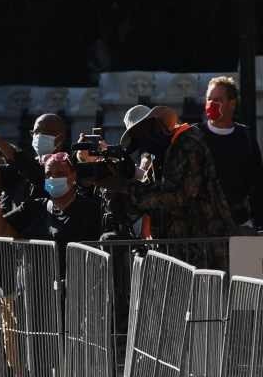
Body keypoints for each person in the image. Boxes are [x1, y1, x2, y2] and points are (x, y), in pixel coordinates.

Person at [102, 105, 237, 263]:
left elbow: (178, 195)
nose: (144, 142)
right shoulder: (159, 156)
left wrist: (126, 188)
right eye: (138, 139)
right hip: (177, 251)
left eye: (144, 133)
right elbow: (146, 199)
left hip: (204, 247)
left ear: (157, 125)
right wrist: (116, 188)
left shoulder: (188, 143)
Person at [0, 153, 102, 250]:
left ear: (73, 176)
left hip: (75, 290)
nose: (53, 178)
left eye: (60, 174)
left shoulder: (91, 209)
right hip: (35, 287)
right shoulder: (35, 206)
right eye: (48, 174)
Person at [198, 76, 263, 229]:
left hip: (239, 223)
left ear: (232, 104)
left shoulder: (245, 137)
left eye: (218, 100)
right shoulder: (195, 136)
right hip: (203, 226)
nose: (211, 104)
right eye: (209, 99)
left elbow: (257, 183)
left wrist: (257, 223)